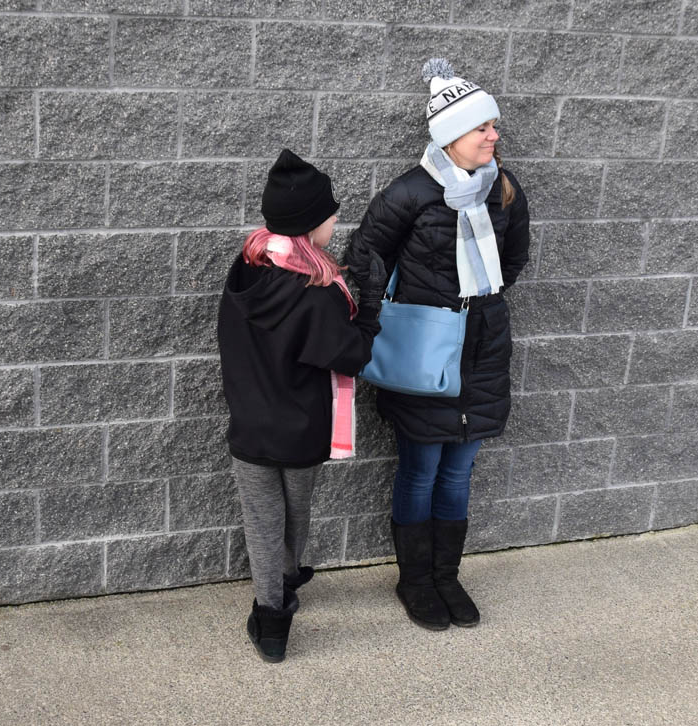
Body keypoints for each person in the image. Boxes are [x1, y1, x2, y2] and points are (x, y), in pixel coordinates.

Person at [345, 59, 531, 631]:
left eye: (494, 126)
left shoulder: (503, 185)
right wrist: (397, 320)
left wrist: (478, 307)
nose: (495, 136)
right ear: (452, 136)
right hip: (426, 353)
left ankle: (447, 576)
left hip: (483, 349)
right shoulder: (410, 192)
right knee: (421, 470)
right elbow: (363, 258)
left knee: (459, 473)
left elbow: (515, 257)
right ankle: (415, 580)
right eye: (484, 128)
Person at [218, 149, 385, 662]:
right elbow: (352, 355)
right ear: (310, 223)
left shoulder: (244, 272)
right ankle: (275, 612)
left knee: (263, 520)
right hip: (303, 426)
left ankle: (281, 593)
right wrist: (371, 301)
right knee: (294, 512)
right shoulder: (317, 295)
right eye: (331, 212)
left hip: (250, 424)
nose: (337, 219)